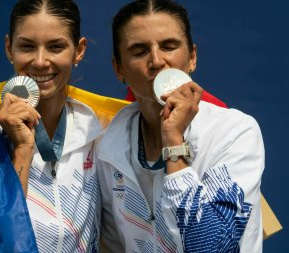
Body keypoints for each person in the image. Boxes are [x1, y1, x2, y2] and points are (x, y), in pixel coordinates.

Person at [0, 0, 102, 252]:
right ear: (9, 48)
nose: (41, 61)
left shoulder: (99, 128)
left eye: (56, 47)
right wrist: (23, 149)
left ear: (79, 50)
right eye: (27, 46)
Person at [97, 0, 265, 252]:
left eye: (169, 46)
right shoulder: (108, 144)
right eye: (139, 50)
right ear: (118, 68)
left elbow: (211, 248)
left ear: (192, 57)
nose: (156, 60)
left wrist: (174, 141)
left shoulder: (234, 132)